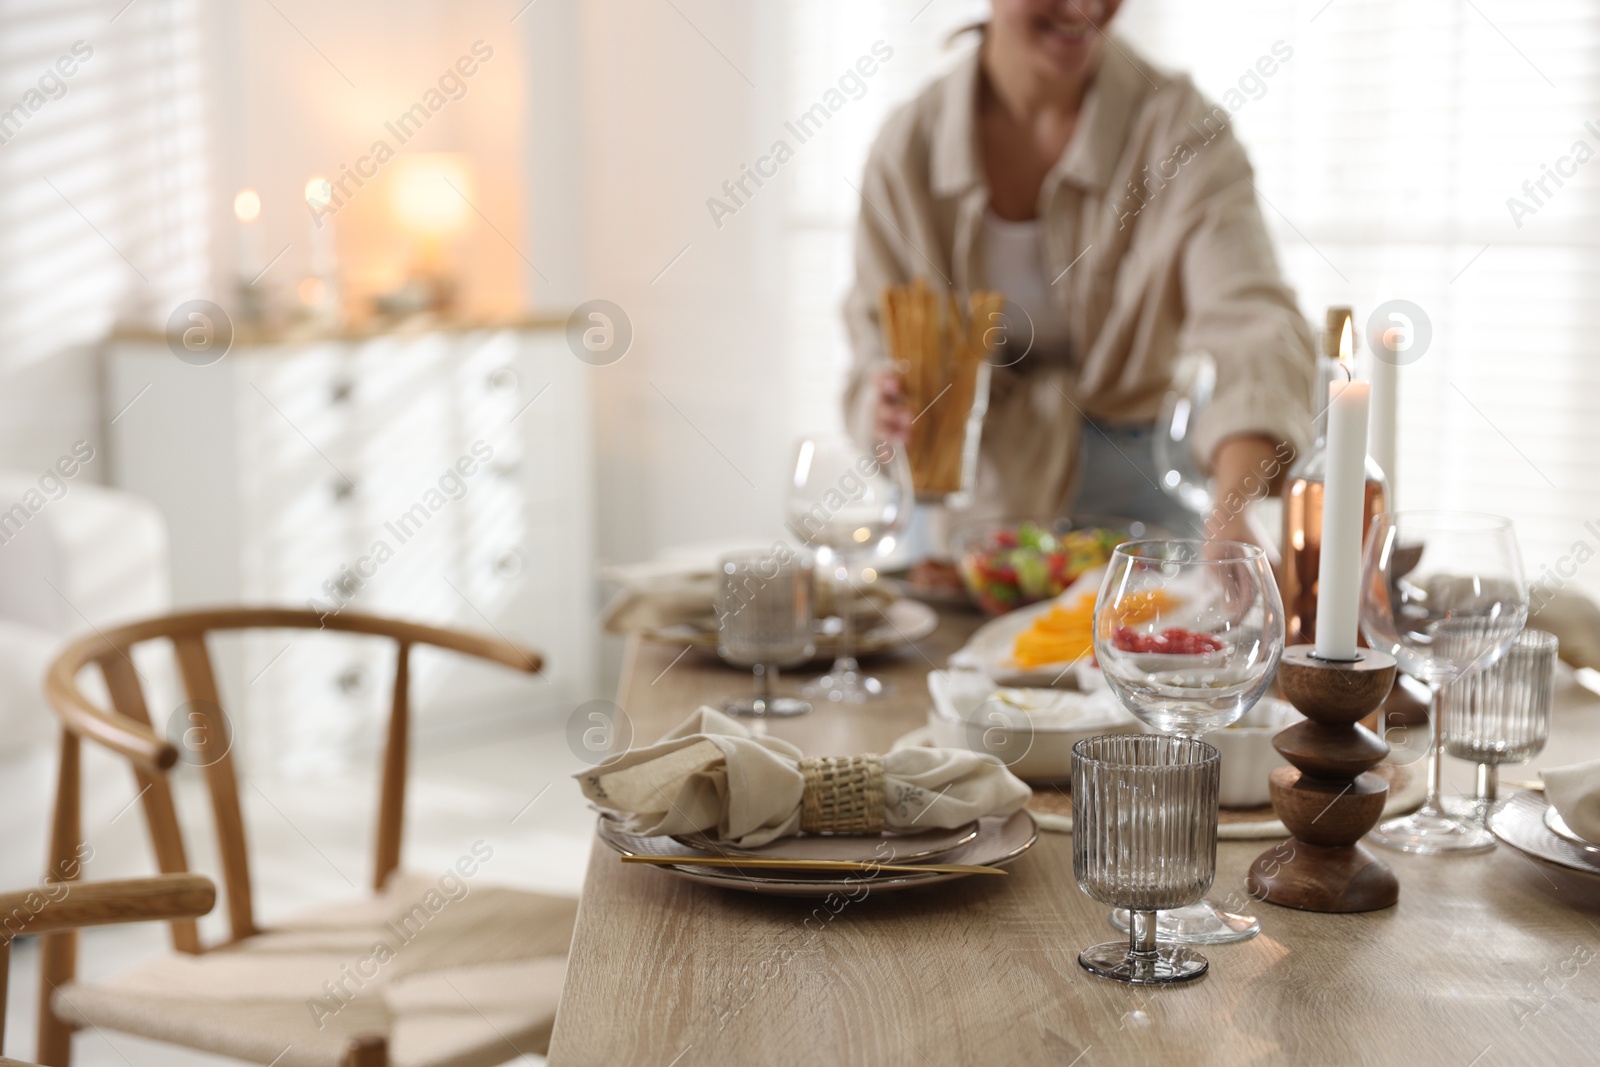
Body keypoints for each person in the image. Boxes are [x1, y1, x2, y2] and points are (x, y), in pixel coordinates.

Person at [843, 0, 1314, 551]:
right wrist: (886, 410)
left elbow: (1254, 326)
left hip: (1140, 494)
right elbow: (875, 348)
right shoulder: (907, 149)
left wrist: (1232, 508)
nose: (1085, 8)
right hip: (962, 509)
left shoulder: (1183, 131)